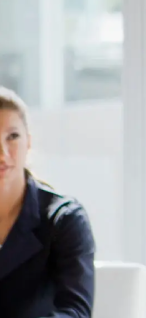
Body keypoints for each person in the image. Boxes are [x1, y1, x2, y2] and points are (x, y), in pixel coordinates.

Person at [0, 87, 96, 318]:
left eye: (12, 137)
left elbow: (75, 312)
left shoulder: (64, 220)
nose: (2, 153)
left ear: (28, 142)